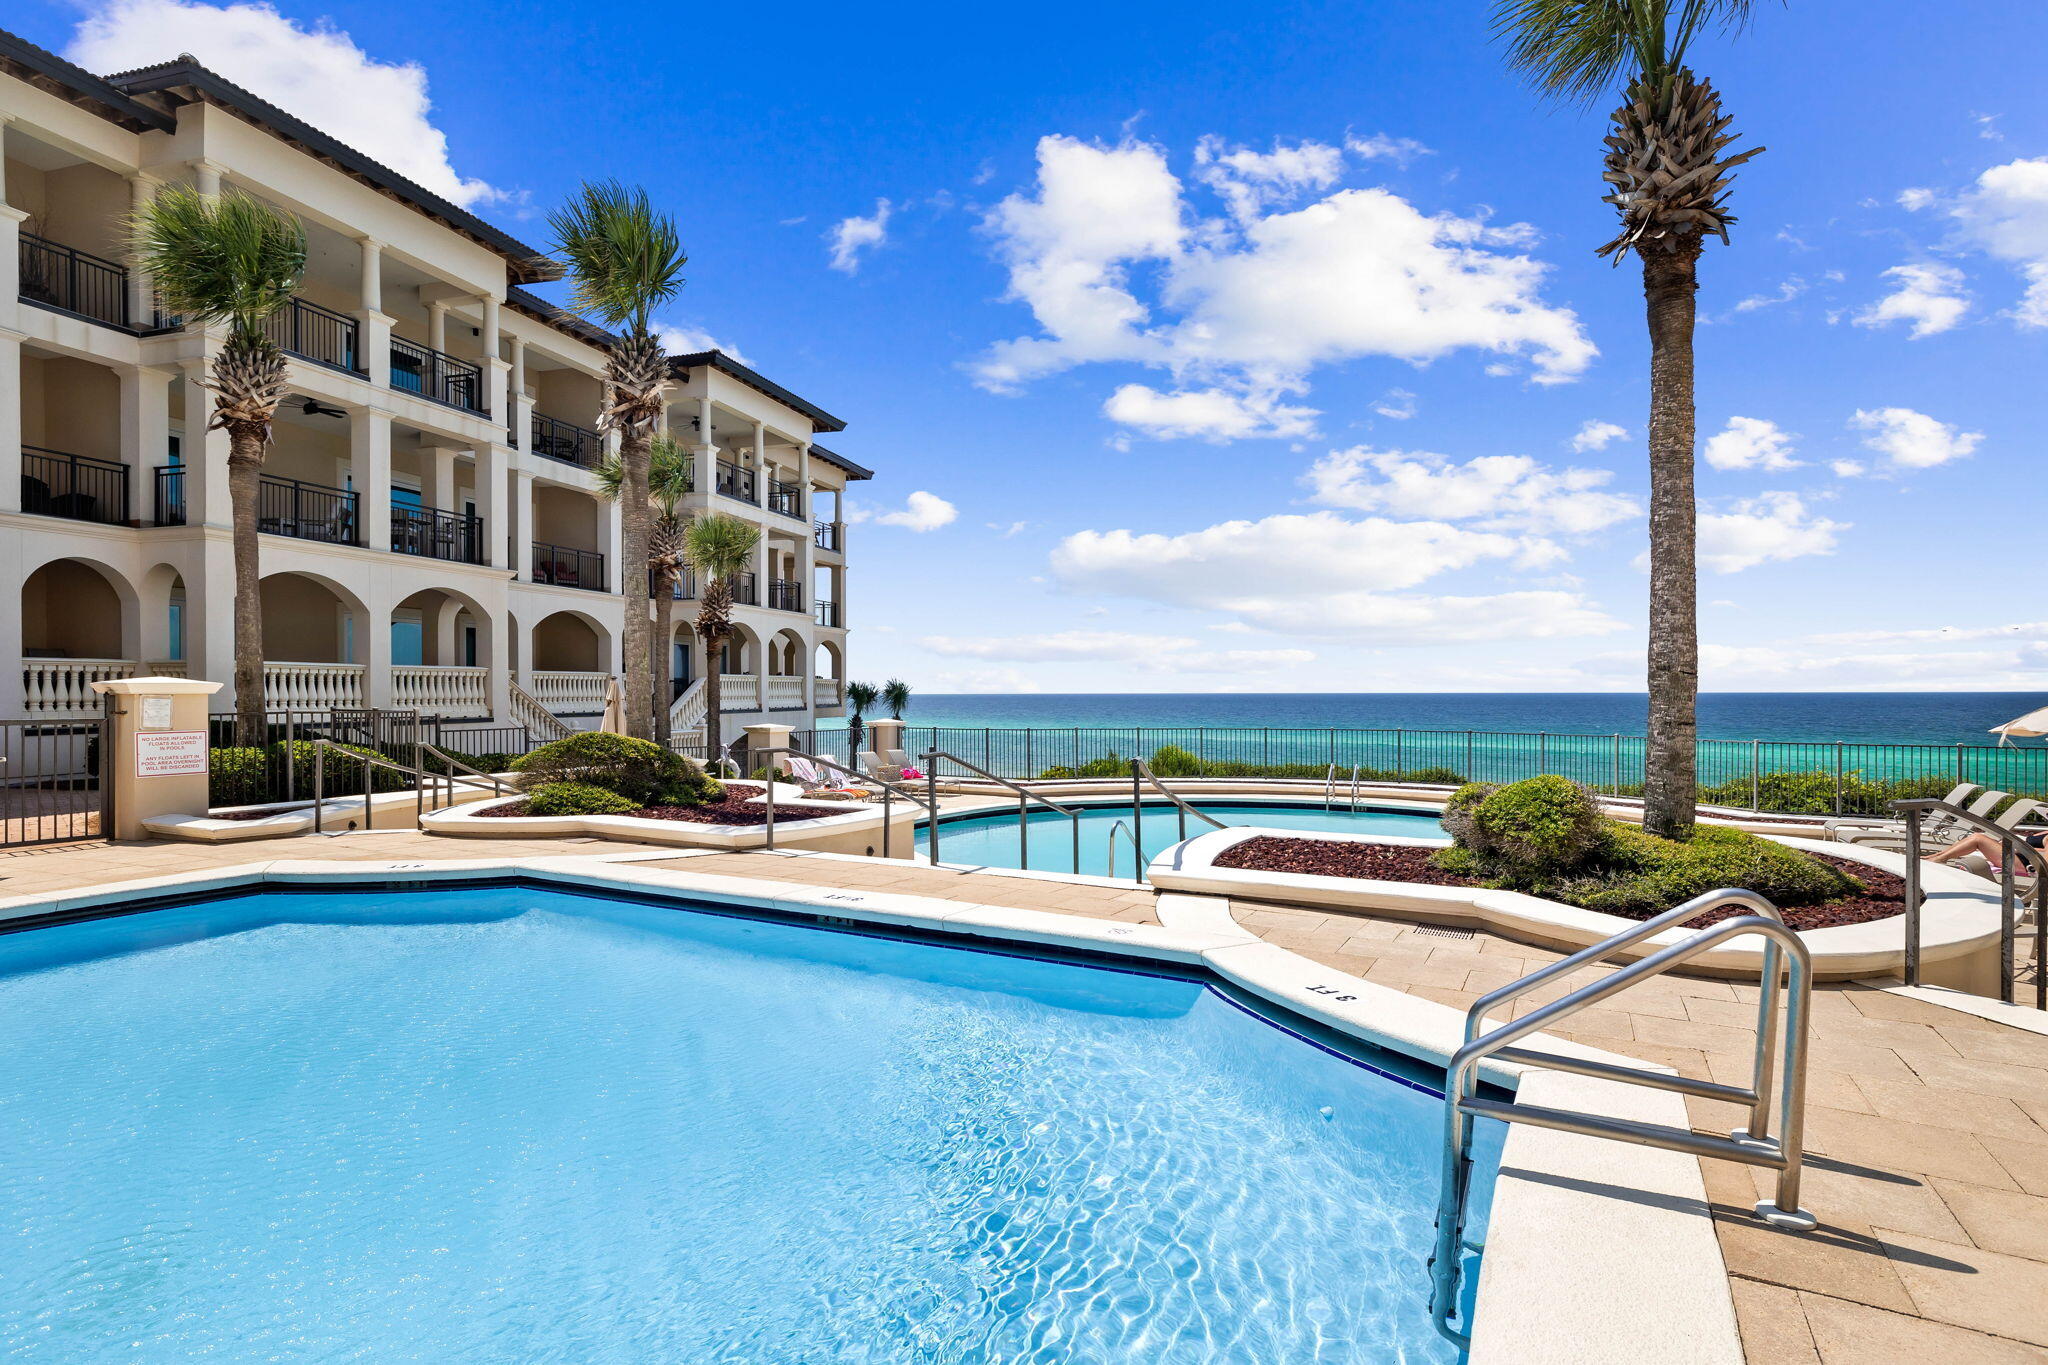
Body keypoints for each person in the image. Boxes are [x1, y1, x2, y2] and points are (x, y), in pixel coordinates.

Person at [1928, 828, 2045, 874]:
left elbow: (2045, 861)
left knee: (1978, 839)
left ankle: (1939, 859)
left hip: (2022, 863)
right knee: (1975, 837)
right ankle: (1938, 856)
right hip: (2018, 856)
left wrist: (2019, 849)